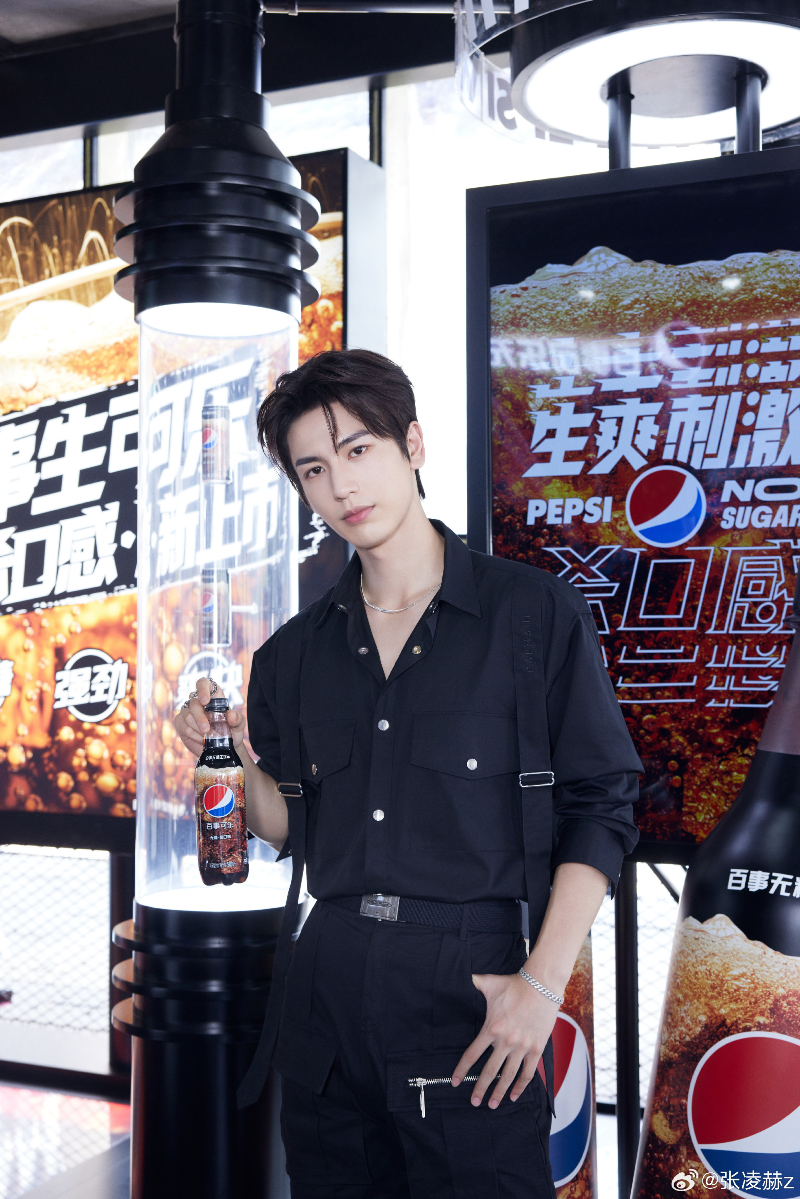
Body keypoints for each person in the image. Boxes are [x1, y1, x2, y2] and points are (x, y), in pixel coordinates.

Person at [175, 349, 640, 1199]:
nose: (342, 486)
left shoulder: (530, 615)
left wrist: (542, 986)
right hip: (328, 988)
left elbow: (602, 805)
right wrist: (233, 764)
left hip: (471, 988)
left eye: (358, 450)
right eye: (314, 469)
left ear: (413, 444)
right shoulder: (291, 655)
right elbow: (300, 827)